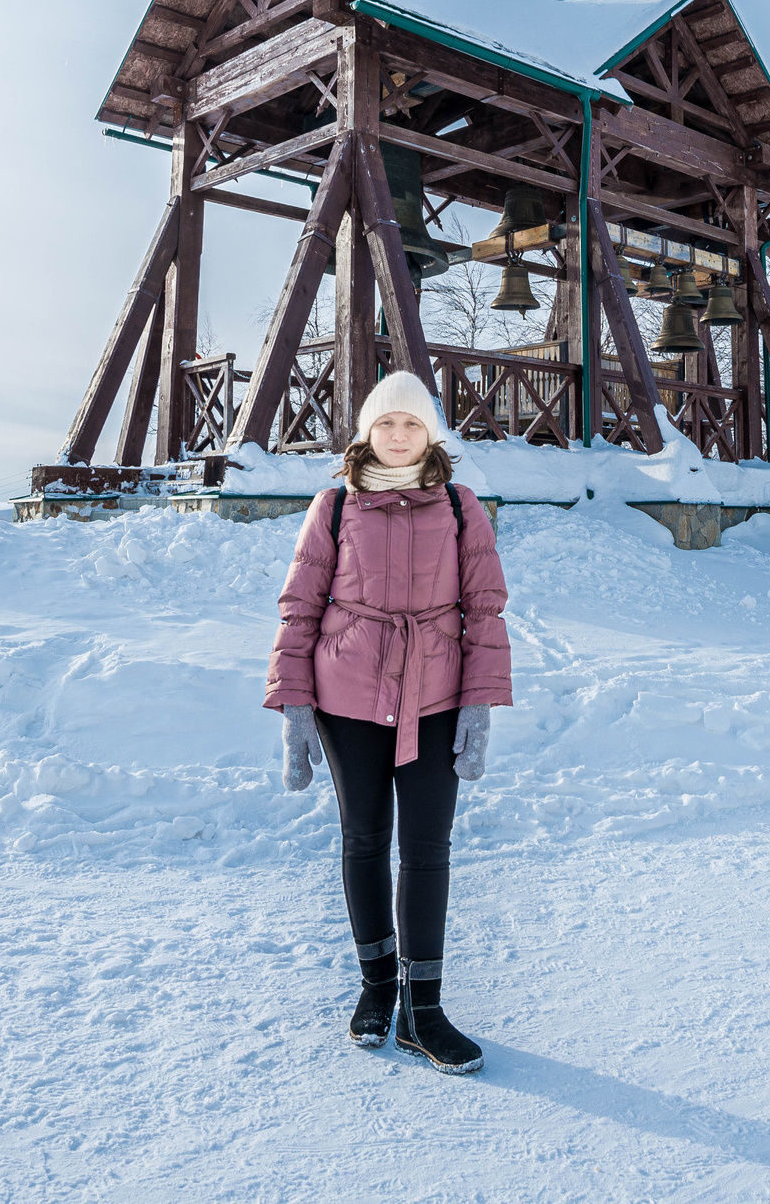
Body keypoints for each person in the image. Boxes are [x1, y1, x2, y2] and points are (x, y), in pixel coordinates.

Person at [265, 370, 513, 1075]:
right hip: (348, 695)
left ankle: (423, 1009)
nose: (399, 435)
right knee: (366, 837)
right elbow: (300, 608)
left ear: (429, 434)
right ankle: (377, 986)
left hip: (434, 694)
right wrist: (296, 702)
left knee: (428, 846)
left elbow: (486, 609)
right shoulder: (335, 505)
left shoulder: (462, 508)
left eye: (412, 424)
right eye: (386, 423)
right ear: (366, 432)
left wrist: (478, 701)